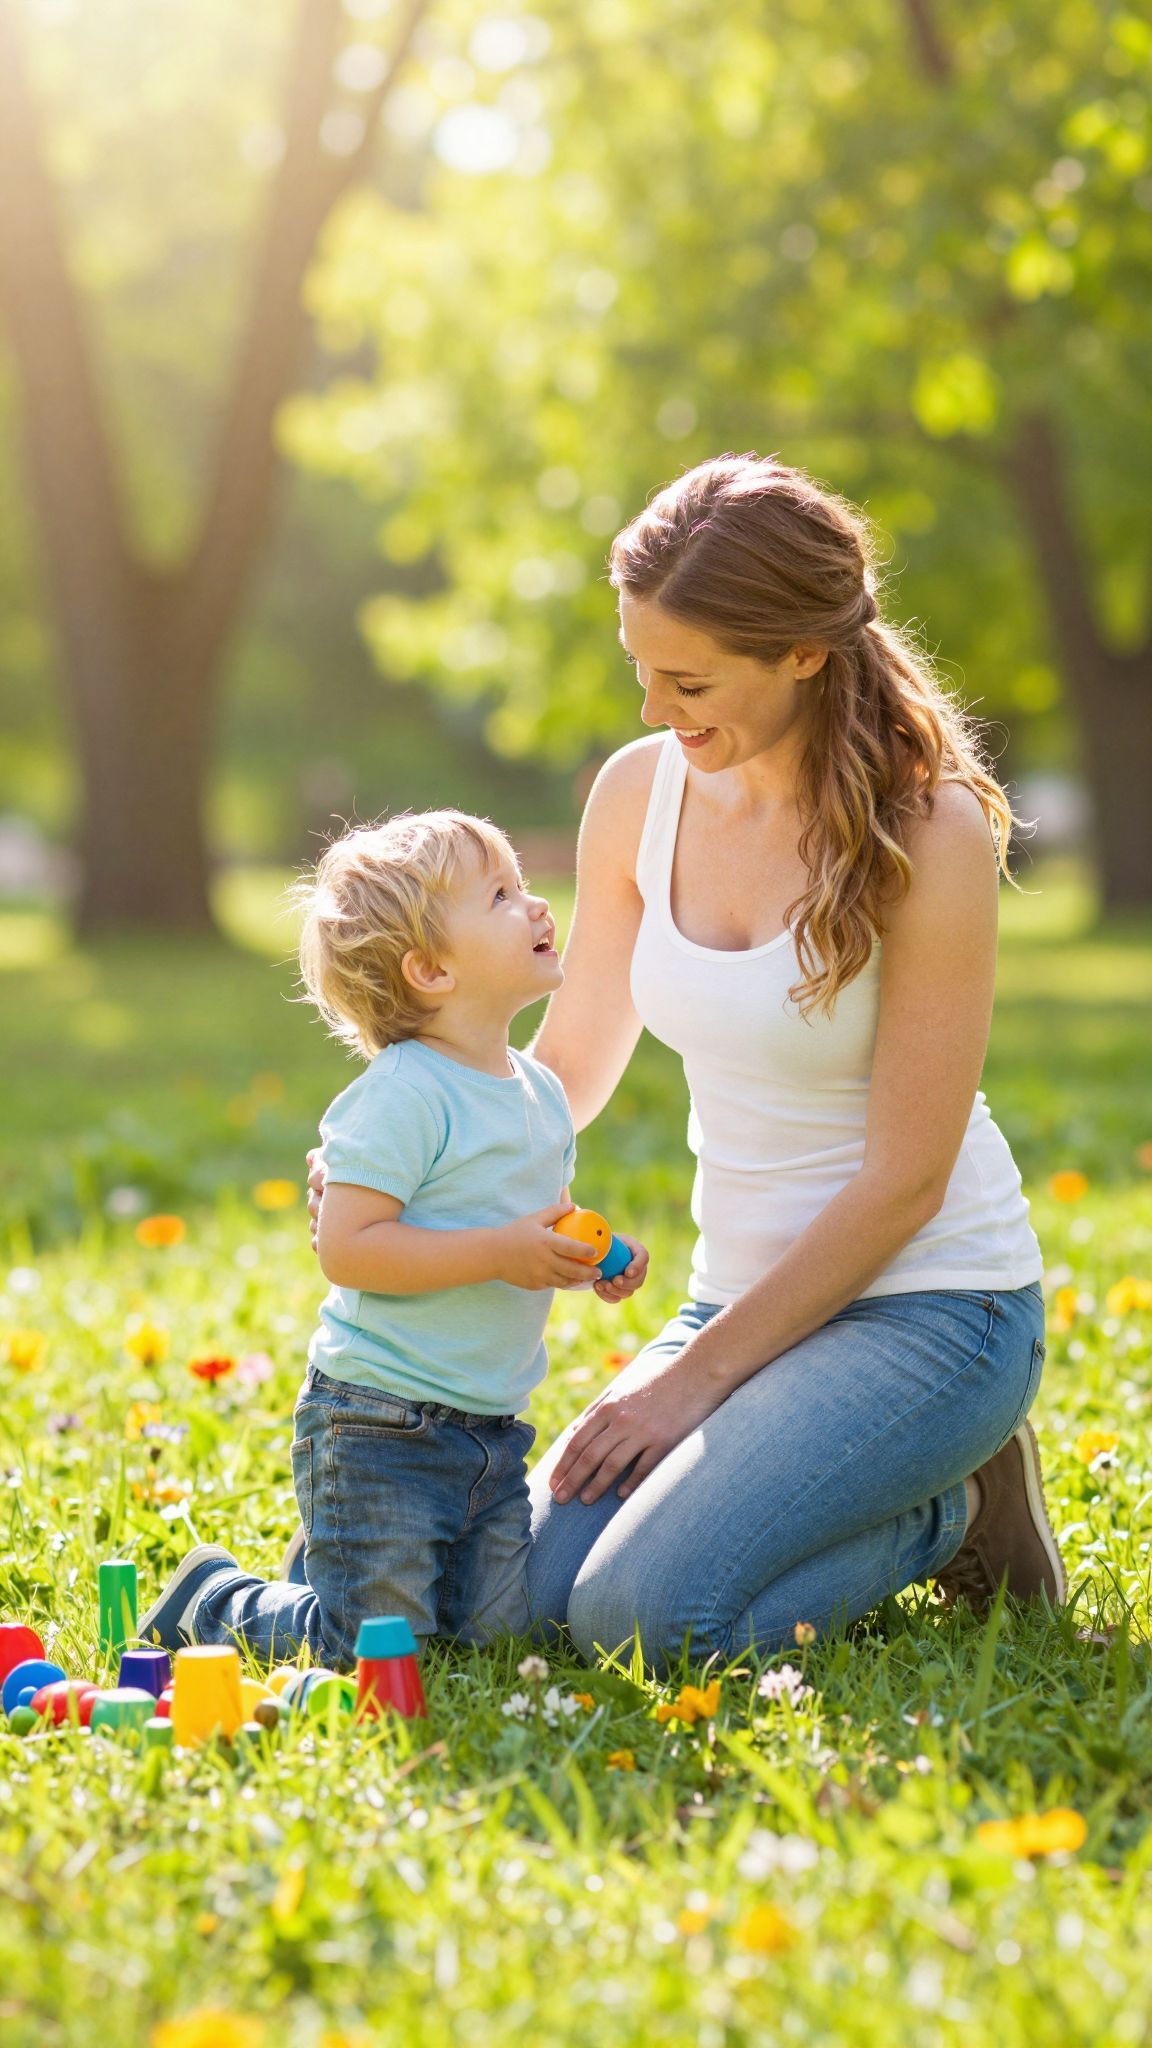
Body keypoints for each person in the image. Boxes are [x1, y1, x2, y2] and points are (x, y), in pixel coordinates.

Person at [511, 453, 1063, 1672]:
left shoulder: (929, 829)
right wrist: (422, 1145)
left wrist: (688, 1385)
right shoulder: (637, 795)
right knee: (520, 1598)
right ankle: (865, 1486)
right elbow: (574, 1055)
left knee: (641, 1623)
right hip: (742, 1297)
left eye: (690, 678)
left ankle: (953, 1507)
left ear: (803, 651)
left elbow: (906, 1180)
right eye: (640, 668)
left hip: (933, 1308)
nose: (656, 708)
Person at [139, 810, 648, 1668]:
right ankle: (218, 1602)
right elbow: (349, 1248)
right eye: (500, 895)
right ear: (431, 969)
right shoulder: (406, 1093)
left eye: (522, 885)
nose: (534, 906)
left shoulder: (538, 1093)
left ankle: (331, 1567)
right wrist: (498, 1252)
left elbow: (542, 1219)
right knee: (374, 1649)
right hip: (380, 1422)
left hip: (490, 1427)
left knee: (491, 1639)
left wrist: (589, 1255)